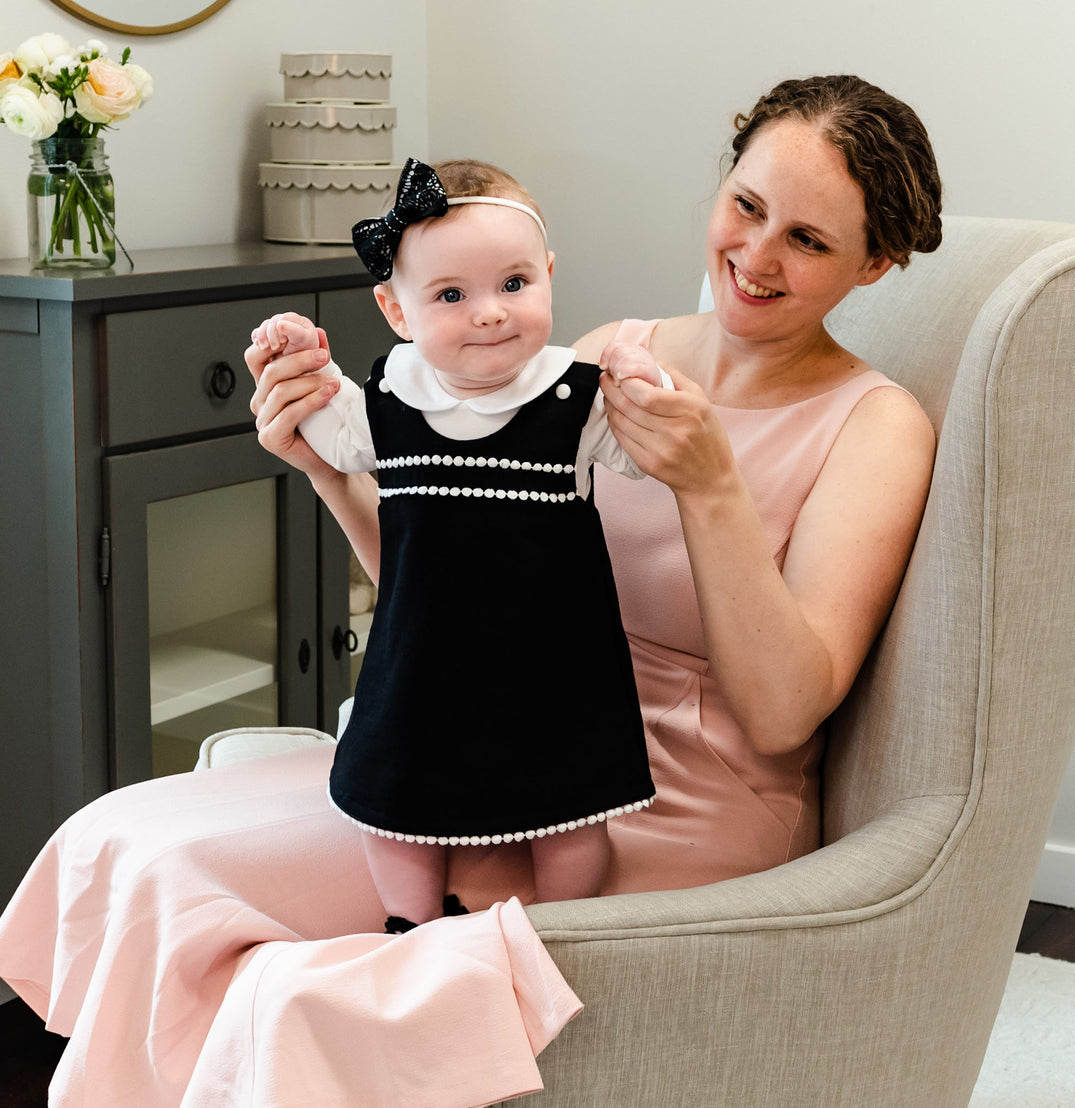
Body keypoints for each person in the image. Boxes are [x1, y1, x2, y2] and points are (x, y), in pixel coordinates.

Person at [0, 75, 940, 1105]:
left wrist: (710, 484)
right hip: (476, 726)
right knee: (139, 855)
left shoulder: (873, 424)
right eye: (748, 206)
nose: (756, 256)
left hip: (664, 789)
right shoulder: (597, 359)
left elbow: (782, 713)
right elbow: (441, 596)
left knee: (298, 997)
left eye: (808, 241)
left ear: (875, 262)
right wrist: (326, 469)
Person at [249, 157, 662, 931]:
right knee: (394, 807)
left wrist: (644, 382)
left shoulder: (574, 393)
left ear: (547, 274)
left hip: (557, 661)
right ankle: (410, 929)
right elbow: (327, 436)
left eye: (514, 285)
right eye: (450, 295)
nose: (490, 314)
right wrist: (294, 354)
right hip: (421, 661)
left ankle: (570, 929)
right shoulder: (391, 398)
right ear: (396, 310)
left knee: (573, 814)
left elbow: (652, 450)